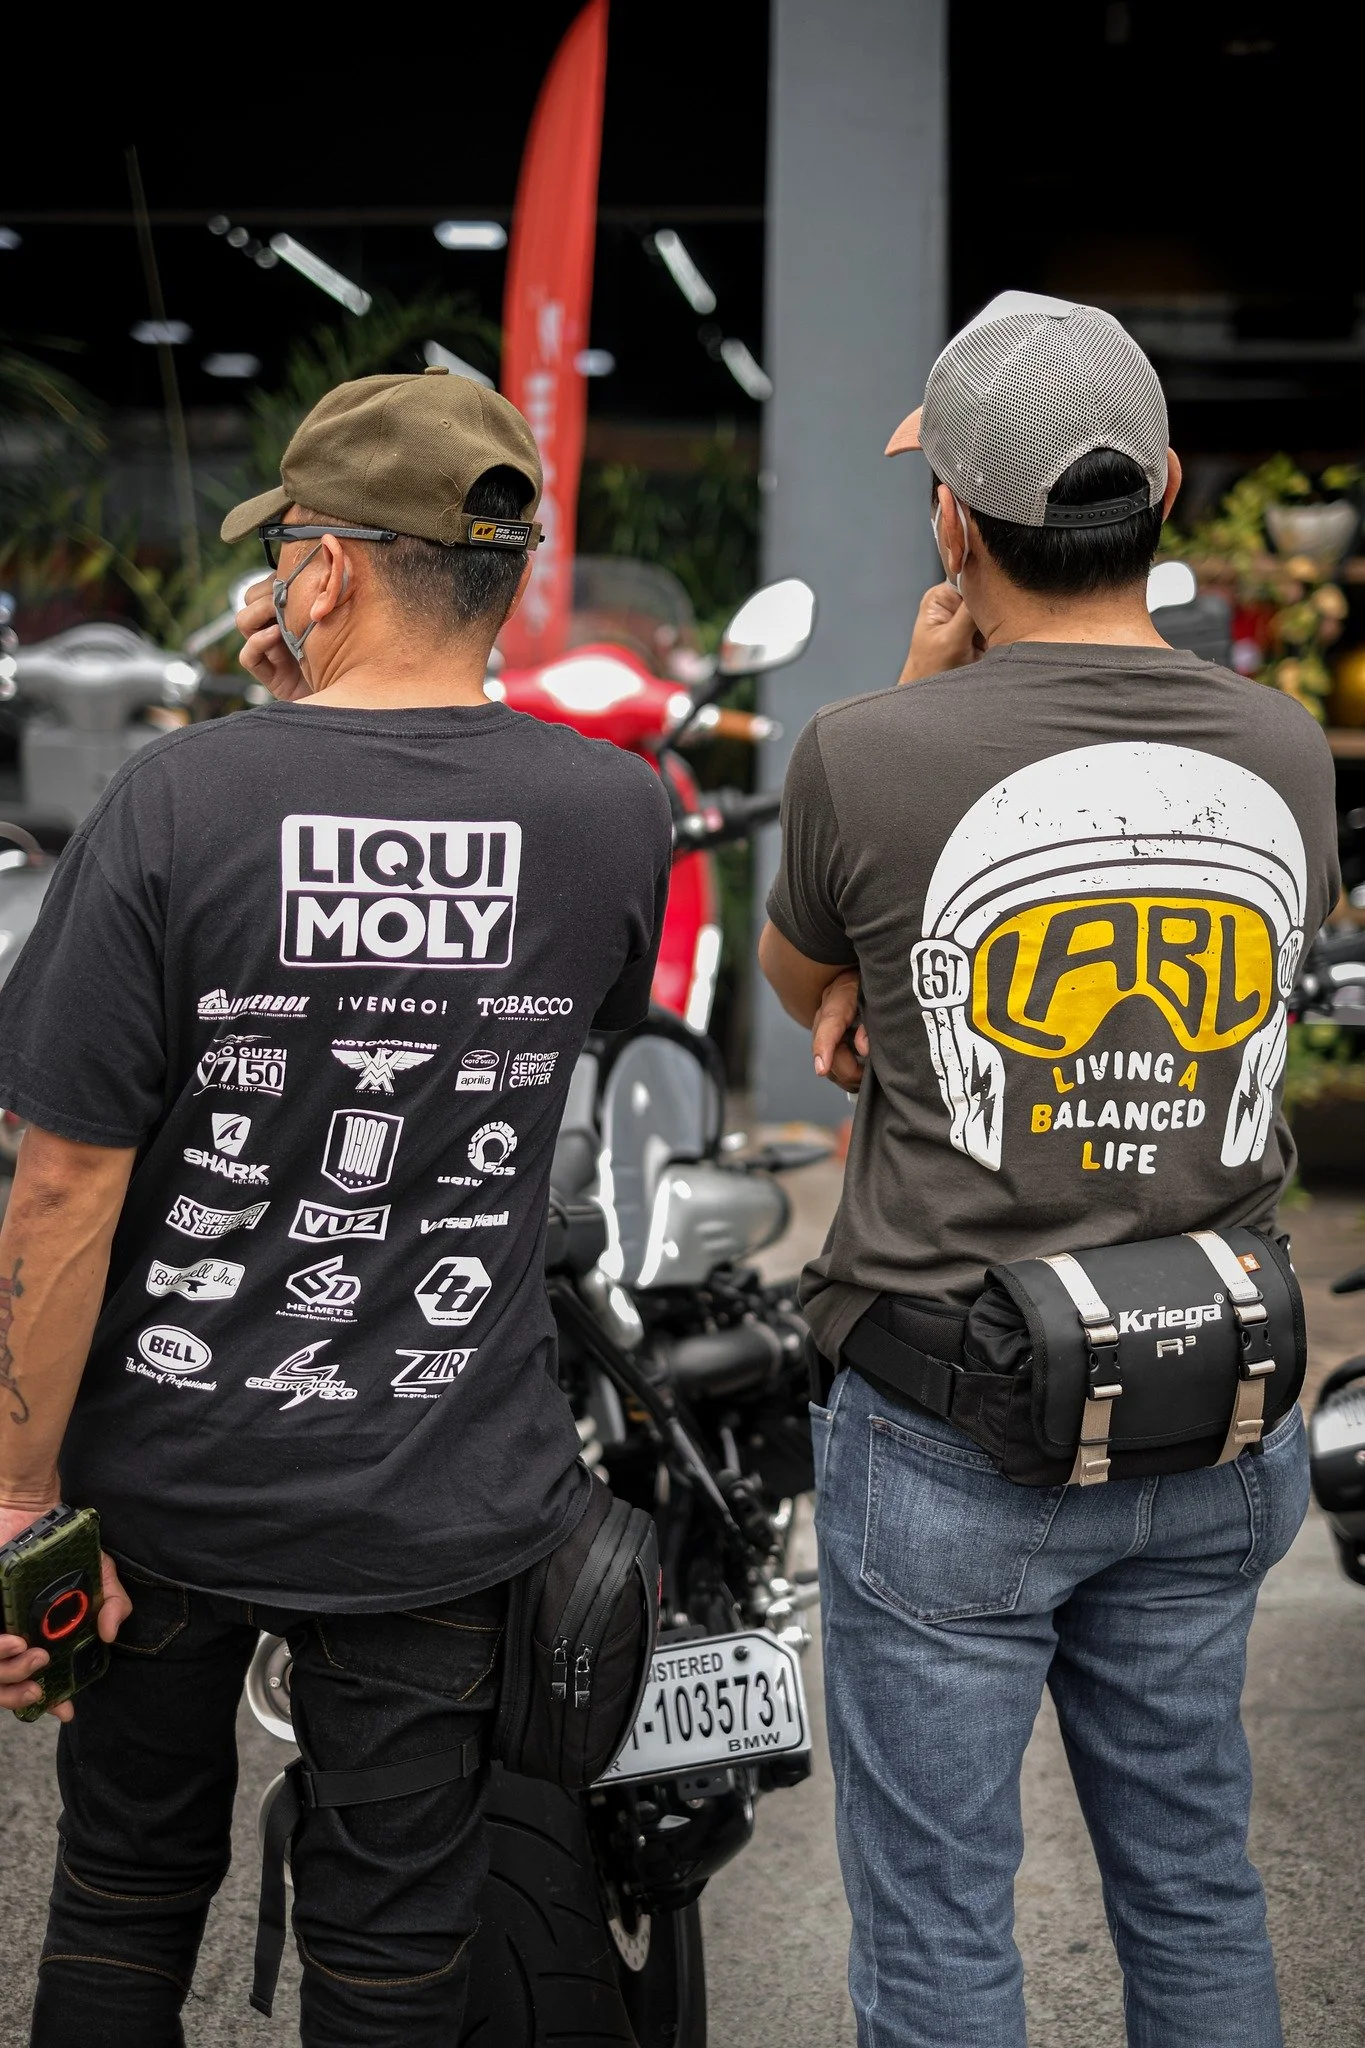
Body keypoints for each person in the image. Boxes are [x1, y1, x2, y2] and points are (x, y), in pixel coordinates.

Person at [0, 366, 672, 2047]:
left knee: (123, 1895)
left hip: (162, 1485)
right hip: (438, 1496)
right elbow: (519, 1026)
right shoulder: (614, 815)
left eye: (287, 548)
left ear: (325, 571)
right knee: (394, 1944)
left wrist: (14, 1496)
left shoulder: (173, 800)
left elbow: (64, 1181)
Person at [758, 291, 1338, 2048]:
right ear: (1163, 488)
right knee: (1196, 1887)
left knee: (941, 1921)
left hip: (953, 1423)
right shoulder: (1285, 746)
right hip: (1219, 1403)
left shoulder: (867, 755)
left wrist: (920, 696)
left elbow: (803, 983)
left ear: (954, 521)